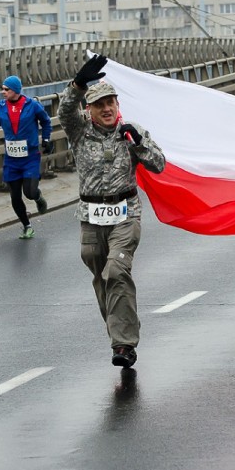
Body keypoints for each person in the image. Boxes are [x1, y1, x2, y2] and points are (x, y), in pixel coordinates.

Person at [58, 55, 166, 368]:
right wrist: (78, 85)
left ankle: (123, 344)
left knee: (116, 271)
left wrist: (139, 143)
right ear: (89, 110)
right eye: (99, 104)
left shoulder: (132, 132)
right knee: (102, 278)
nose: (107, 109)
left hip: (126, 214)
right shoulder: (79, 132)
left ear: (118, 105)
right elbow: (65, 111)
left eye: (111, 103)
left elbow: (159, 164)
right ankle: (118, 333)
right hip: (91, 218)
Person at [0, 75, 53, 239]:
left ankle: (38, 197)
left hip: (30, 157)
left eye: (6, 89)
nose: (3, 92)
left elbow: (46, 121)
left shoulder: (32, 105)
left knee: (29, 192)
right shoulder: (0, 107)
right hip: (11, 159)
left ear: (15, 90)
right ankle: (27, 225)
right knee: (15, 196)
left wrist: (45, 139)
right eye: (2, 88)